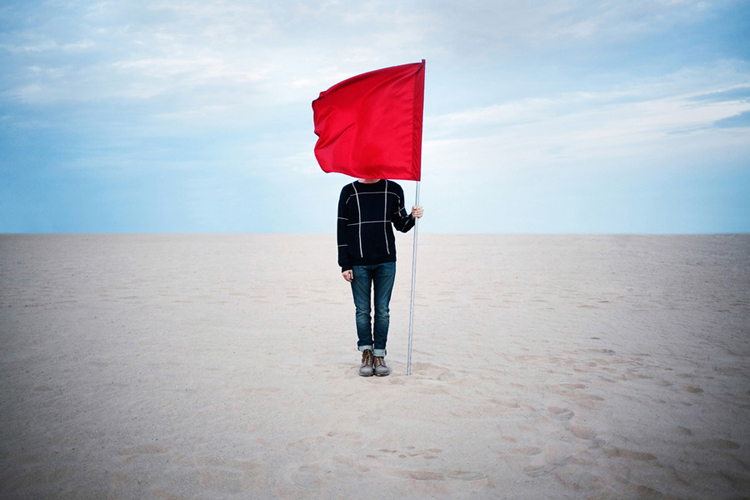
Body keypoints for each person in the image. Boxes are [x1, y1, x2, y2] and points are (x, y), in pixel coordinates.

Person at [337, 178, 424, 377]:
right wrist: (345, 264)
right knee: (362, 310)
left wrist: (413, 216)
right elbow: (342, 229)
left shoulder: (393, 189)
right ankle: (366, 354)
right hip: (357, 262)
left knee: (383, 310)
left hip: (386, 260)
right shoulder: (348, 191)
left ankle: (379, 355)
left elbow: (401, 225)